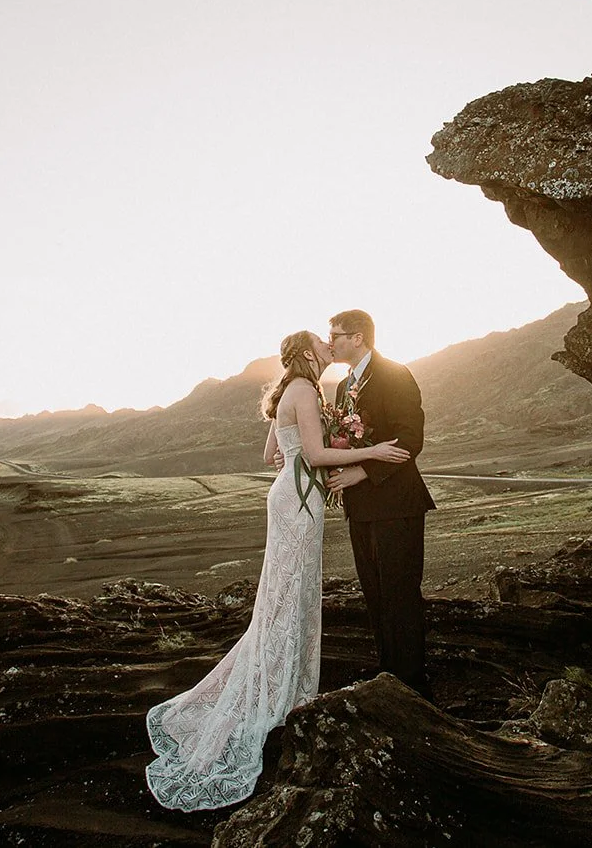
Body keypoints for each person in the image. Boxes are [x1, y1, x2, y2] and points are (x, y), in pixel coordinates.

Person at [144, 329, 409, 812]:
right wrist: (370, 452)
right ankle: (283, 695)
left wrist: (303, 458)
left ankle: (281, 683)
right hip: (300, 501)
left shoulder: (291, 388)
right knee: (292, 592)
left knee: (284, 592)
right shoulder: (307, 390)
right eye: (324, 344)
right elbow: (315, 455)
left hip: (288, 495)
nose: (332, 348)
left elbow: (273, 455)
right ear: (310, 354)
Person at [324, 309, 435, 698]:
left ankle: (412, 689)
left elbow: (410, 439)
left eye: (336, 334)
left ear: (358, 338)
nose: (330, 341)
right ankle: (386, 679)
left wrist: (362, 473)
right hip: (362, 509)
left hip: (397, 504)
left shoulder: (395, 374)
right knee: (374, 595)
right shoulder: (340, 388)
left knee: (400, 595)